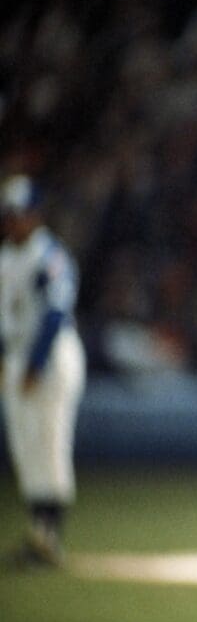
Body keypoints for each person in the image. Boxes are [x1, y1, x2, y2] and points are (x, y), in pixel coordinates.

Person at [1, 174, 86, 567]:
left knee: (50, 441)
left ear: (35, 215)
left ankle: (50, 536)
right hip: (18, 356)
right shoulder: (7, 257)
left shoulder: (48, 254)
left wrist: (35, 363)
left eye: (19, 214)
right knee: (26, 446)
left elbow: (55, 311)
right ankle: (39, 533)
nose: (12, 221)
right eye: (9, 214)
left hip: (50, 356)